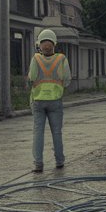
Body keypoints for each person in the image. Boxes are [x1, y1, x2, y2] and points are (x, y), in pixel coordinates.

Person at [27, 29, 71, 173]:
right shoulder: (61, 59)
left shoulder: (35, 59)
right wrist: (57, 87)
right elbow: (67, 80)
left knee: (38, 132)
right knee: (57, 132)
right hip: (55, 100)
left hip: (38, 100)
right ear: (54, 44)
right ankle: (59, 161)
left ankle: (38, 164)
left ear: (39, 44)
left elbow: (31, 77)